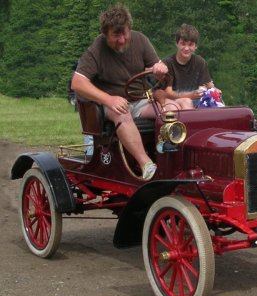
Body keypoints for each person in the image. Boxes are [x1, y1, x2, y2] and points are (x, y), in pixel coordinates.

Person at [71, 3, 180, 180]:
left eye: (124, 33)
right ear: (105, 34)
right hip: (110, 106)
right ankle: (147, 165)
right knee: (121, 112)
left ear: (130, 29)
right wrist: (108, 99)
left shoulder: (140, 40)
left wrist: (160, 70)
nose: (122, 39)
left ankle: (169, 157)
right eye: (116, 35)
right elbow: (77, 82)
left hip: (139, 101)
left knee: (173, 109)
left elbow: (157, 69)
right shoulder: (97, 48)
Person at [162, 24, 217, 108]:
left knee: (217, 102)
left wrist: (216, 91)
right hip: (174, 101)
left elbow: (209, 85)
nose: (186, 48)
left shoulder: (200, 62)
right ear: (177, 44)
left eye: (190, 44)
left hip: (197, 100)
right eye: (183, 44)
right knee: (186, 102)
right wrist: (190, 95)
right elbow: (168, 93)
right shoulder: (168, 63)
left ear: (196, 46)